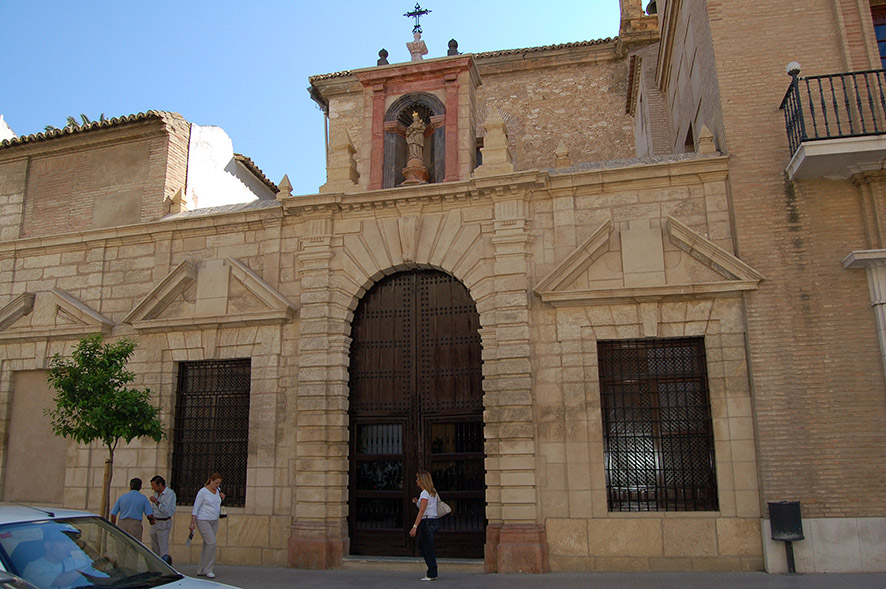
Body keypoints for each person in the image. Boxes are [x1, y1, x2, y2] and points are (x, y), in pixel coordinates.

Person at [21, 529, 108, 589]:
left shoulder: (71, 562)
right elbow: (62, 581)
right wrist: (88, 567)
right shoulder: (34, 568)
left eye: (68, 542)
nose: (67, 546)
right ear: (48, 545)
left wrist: (83, 546)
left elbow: (96, 569)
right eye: (63, 542)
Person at [189, 472, 225, 579]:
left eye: (219, 483)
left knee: (207, 544)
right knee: (212, 543)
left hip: (214, 520)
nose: (217, 485)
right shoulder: (203, 492)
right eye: (216, 483)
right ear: (211, 480)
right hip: (203, 520)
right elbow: (196, 507)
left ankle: (201, 569)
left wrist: (221, 495)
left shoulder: (217, 491)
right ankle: (209, 569)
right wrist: (192, 522)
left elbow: (216, 500)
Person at [409, 470, 439, 581]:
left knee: (427, 548)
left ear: (422, 481)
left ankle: (432, 573)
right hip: (433, 521)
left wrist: (414, 526)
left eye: (418, 479)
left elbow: (422, 511)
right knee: (423, 545)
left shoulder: (424, 493)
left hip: (427, 522)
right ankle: (432, 571)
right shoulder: (432, 492)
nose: (416, 481)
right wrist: (417, 502)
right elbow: (427, 507)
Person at [149, 475, 176, 562]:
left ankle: (164, 563)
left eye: (154, 486)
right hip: (155, 521)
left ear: (160, 484)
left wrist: (156, 502)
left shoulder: (169, 494)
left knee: (163, 545)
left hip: (164, 522)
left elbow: (165, 509)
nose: (153, 488)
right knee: (154, 545)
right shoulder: (156, 494)